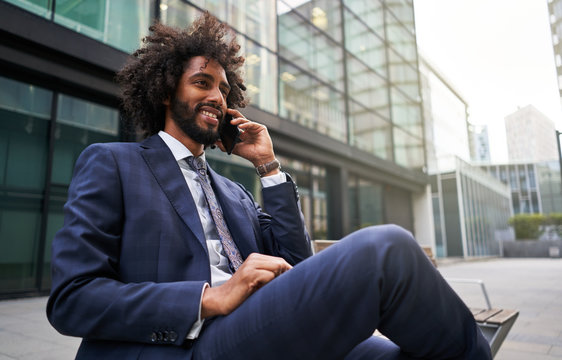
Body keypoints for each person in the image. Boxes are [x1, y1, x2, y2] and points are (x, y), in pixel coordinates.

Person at [47, 12, 491, 360]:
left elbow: (297, 263)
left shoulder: (235, 192)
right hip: (187, 346)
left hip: (267, 327)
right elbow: (73, 298)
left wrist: (268, 166)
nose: (218, 97)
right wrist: (209, 298)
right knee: (386, 250)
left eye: (223, 89)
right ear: (166, 92)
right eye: (202, 83)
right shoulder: (113, 163)